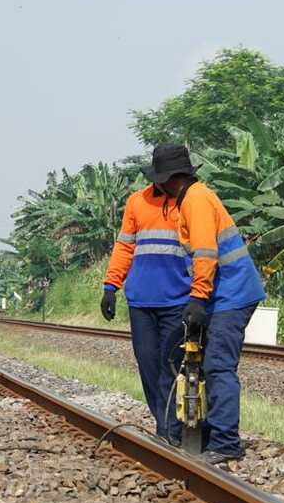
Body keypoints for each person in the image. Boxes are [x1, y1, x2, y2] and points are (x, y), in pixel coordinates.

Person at [152, 144, 266, 464]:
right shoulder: (193, 198)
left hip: (233, 295)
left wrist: (198, 298)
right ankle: (206, 433)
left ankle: (226, 442)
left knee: (219, 367)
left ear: (168, 179)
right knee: (204, 366)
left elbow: (205, 252)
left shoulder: (196, 200)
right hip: (224, 294)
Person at [99, 145, 192, 444]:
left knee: (170, 365)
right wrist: (110, 286)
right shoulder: (136, 203)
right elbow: (124, 246)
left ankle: (170, 430)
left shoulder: (190, 202)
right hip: (141, 301)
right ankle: (163, 424)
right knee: (148, 363)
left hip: (178, 299)